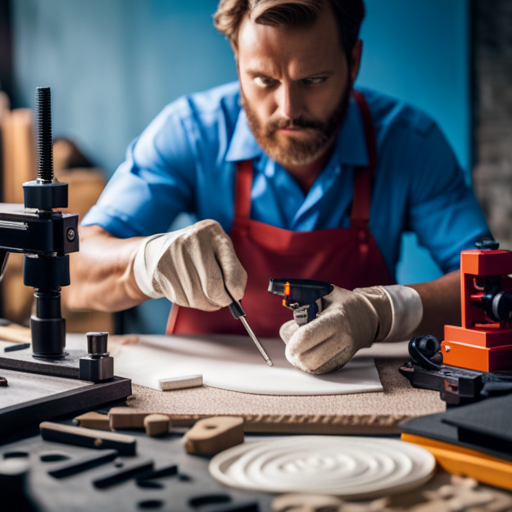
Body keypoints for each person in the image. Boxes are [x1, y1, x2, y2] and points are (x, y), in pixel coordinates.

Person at [69, 0, 490, 375]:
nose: (288, 110)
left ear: (354, 61)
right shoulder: (189, 132)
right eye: (264, 80)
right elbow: (72, 273)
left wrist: (383, 311)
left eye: (314, 80)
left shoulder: (409, 143)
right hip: (202, 400)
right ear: (236, 59)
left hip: (360, 398)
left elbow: (493, 288)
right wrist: (144, 262)